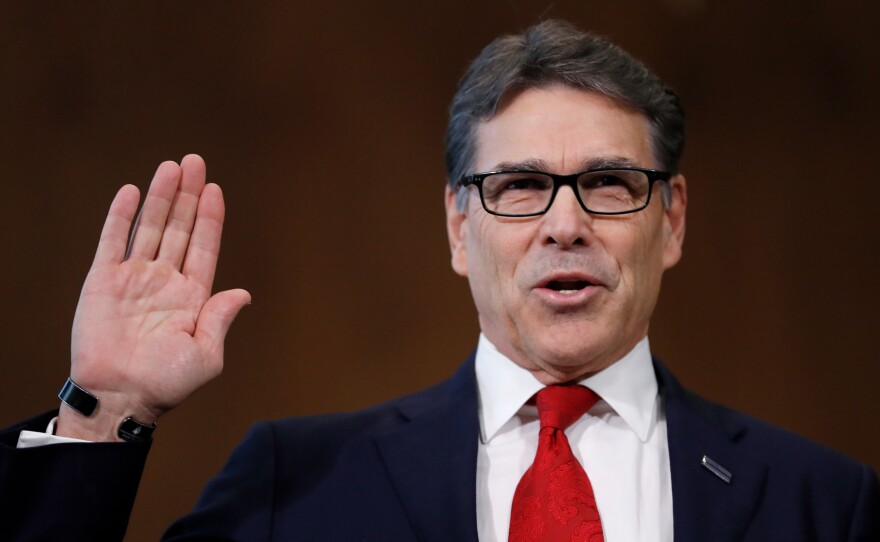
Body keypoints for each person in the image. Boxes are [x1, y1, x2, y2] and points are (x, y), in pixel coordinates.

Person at [1, 19, 877, 542]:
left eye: (609, 183)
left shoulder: (826, 504)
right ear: (460, 226)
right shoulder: (293, 483)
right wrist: (106, 411)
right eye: (520, 185)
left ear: (671, 218)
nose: (565, 224)